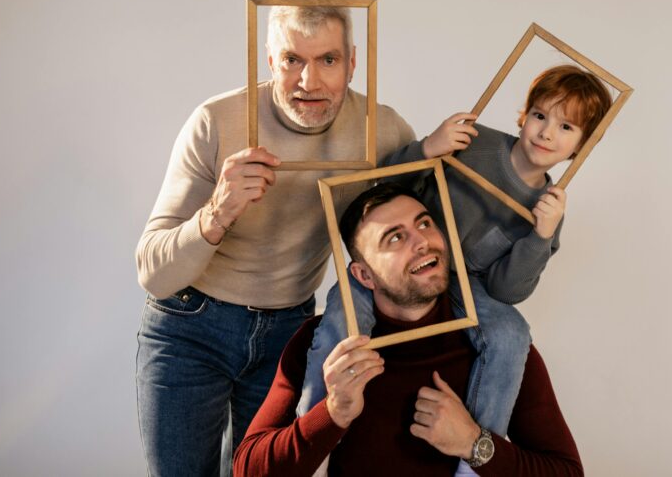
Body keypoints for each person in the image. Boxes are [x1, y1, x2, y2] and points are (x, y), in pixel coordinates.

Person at [135, 0, 416, 476]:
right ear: (269, 61)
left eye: (327, 60)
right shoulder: (217, 121)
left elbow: (424, 231)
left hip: (290, 330)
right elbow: (153, 273)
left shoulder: (384, 131)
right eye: (292, 60)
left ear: (352, 61)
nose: (309, 80)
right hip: (189, 326)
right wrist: (217, 212)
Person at [297, 64, 612, 464]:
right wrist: (428, 148)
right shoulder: (476, 143)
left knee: (511, 334)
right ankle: (313, 429)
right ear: (525, 114)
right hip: (402, 264)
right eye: (540, 116)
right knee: (342, 312)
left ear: (584, 144)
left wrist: (540, 237)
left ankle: (472, 456)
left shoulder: (549, 209)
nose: (547, 132)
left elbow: (507, 291)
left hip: (467, 285)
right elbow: (386, 190)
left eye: (567, 127)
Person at [233, 183, 584, 476]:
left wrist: (474, 444)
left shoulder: (496, 345)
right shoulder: (325, 345)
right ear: (364, 275)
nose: (422, 241)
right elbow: (247, 469)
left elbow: (567, 471)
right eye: (395, 238)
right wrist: (333, 413)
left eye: (425, 224)